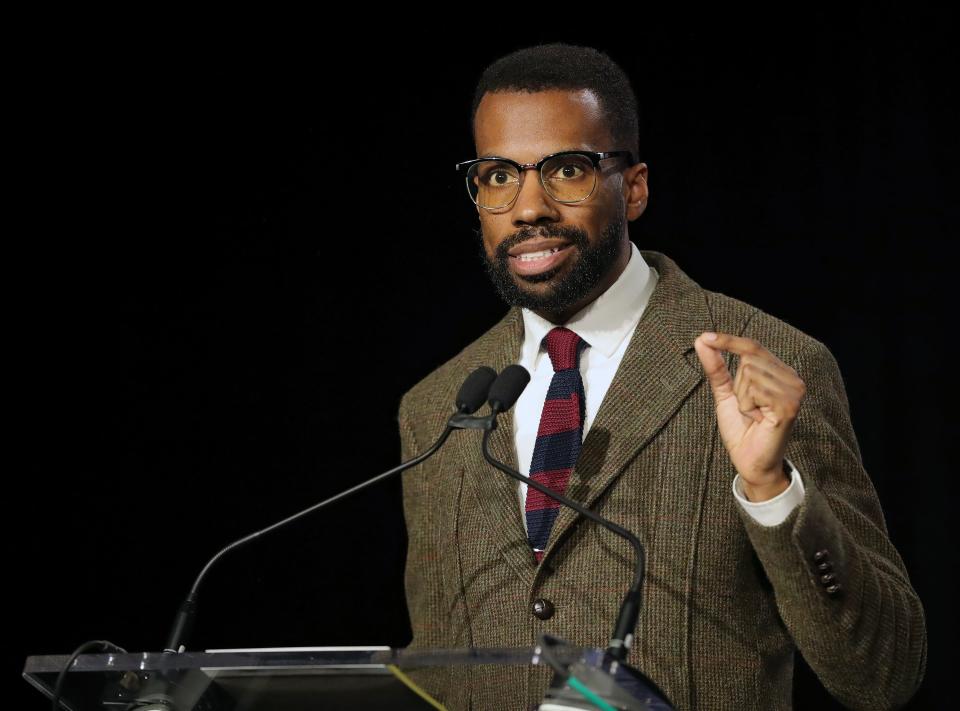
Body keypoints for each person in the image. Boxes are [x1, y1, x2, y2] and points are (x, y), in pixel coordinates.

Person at [397, 43, 926, 710]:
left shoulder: (764, 368)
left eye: (566, 169)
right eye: (498, 175)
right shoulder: (436, 407)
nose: (527, 206)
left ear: (636, 187)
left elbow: (882, 673)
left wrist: (771, 489)